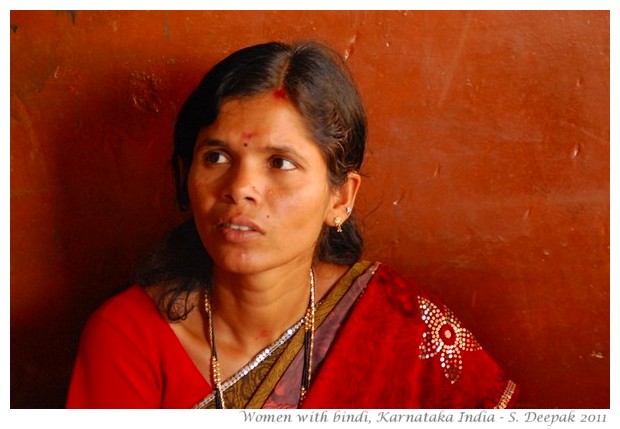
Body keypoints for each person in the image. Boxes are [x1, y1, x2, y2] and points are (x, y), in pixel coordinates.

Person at [66, 40, 518, 409]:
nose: (240, 187)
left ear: (340, 198)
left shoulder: (403, 331)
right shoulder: (129, 337)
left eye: (280, 163)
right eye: (216, 157)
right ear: (187, 176)